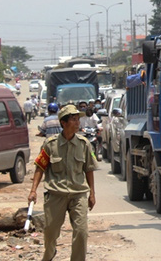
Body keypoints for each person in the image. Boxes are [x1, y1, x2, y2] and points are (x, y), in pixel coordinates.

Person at [28, 104, 97, 261]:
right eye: (74, 119)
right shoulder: (50, 145)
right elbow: (40, 167)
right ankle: (50, 254)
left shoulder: (84, 144)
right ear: (63, 123)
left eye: (78, 119)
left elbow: (89, 169)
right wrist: (33, 190)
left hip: (78, 194)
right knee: (50, 233)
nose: (78, 122)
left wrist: (92, 194)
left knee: (81, 232)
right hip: (55, 194)